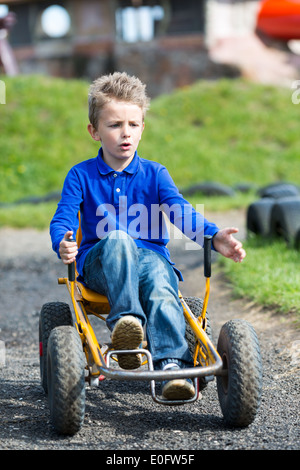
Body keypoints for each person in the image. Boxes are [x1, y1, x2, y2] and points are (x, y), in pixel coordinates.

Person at [50, 72, 245, 400]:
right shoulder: (80, 175)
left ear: (143, 127)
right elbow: (64, 217)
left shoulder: (155, 173)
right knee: (118, 239)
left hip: (150, 263)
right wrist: (63, 241)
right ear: (94, 131)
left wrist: (213, 237)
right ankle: (127, 322)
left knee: (158, 275)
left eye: (133, 125)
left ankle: (172, 367)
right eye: (114, 125)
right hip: (101, 265)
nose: (125, 133)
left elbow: (180, 211)